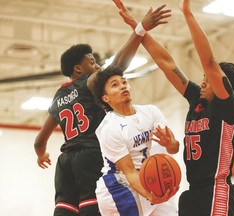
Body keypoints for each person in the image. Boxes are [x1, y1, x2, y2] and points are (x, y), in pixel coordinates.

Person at [33, 4, 171, 216]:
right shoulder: (88, 82)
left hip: (65, 161)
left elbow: (39, 141)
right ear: (78, 69)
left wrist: (42, 155)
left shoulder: (58, 97)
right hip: (90, 155)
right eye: (92, 61)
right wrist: (140, 29)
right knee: (91, 209)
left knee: (64, 210)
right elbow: (117, 65)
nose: (97, 66)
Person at [113, 0, 234, 215]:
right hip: (192, 193)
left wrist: (187, 14)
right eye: (203, 78)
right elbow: (166, 62)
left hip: (216, 191)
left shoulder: (229, 109)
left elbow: (210, 62)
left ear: (224, 86)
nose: (203, 82)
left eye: (208, 80)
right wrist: (138, 28)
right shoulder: (197, 99)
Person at [93, 64, 180, 215]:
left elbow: (174, 148)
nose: (122, 86)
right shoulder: (110, 128)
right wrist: (152, 197)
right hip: (120, 186)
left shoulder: (151, 112)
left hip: (148, 179)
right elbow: (130, 172)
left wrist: (170, 143)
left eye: (124, 82)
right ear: (106, 98)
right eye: (115, 85)